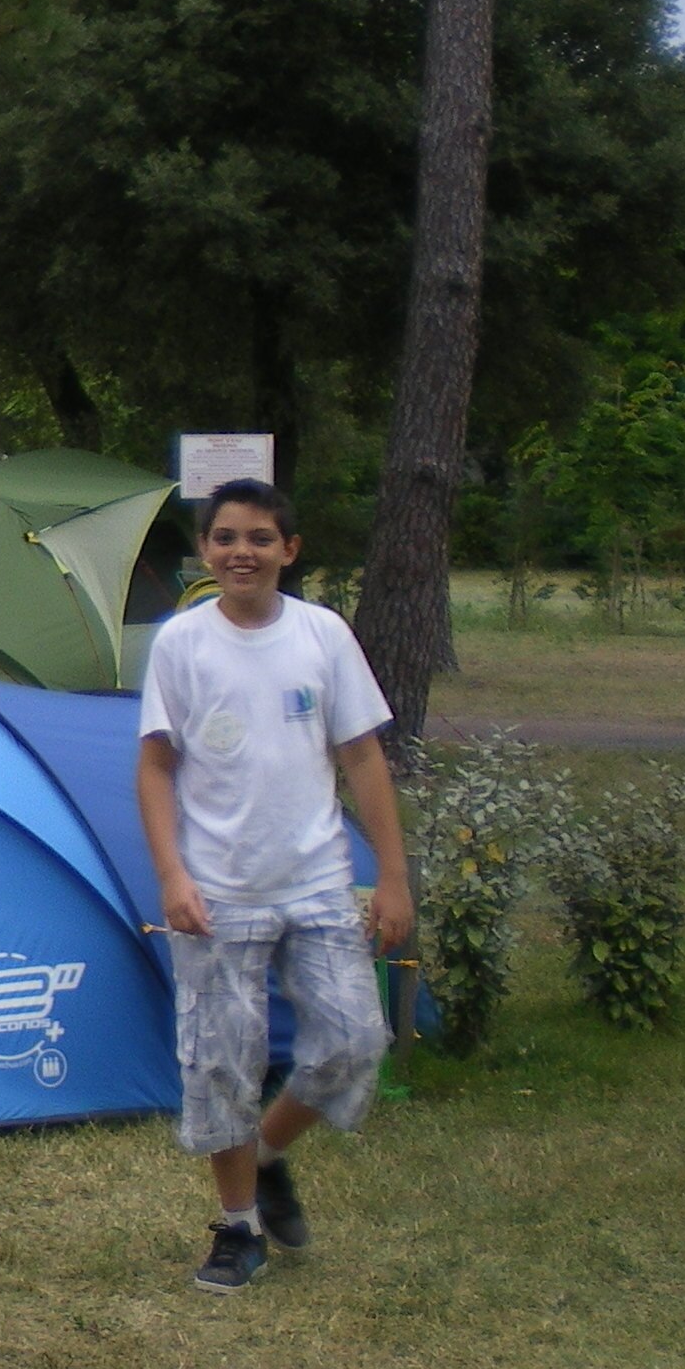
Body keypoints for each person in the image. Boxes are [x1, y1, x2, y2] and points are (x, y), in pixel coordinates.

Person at [136, 479, 413, 1294]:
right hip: (217, 891)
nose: (241, 552)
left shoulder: (323, 635)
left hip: (319, 880)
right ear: (205, 551)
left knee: (354, 1042)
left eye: (259, 538)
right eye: (224, 538)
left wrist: (391, 878)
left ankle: (266, 1154)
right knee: (222, 1062)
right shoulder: (181, 644)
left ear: (289, 552)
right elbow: (156, 767)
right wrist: (172, 875)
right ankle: (237, 1227)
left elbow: (362, 757)